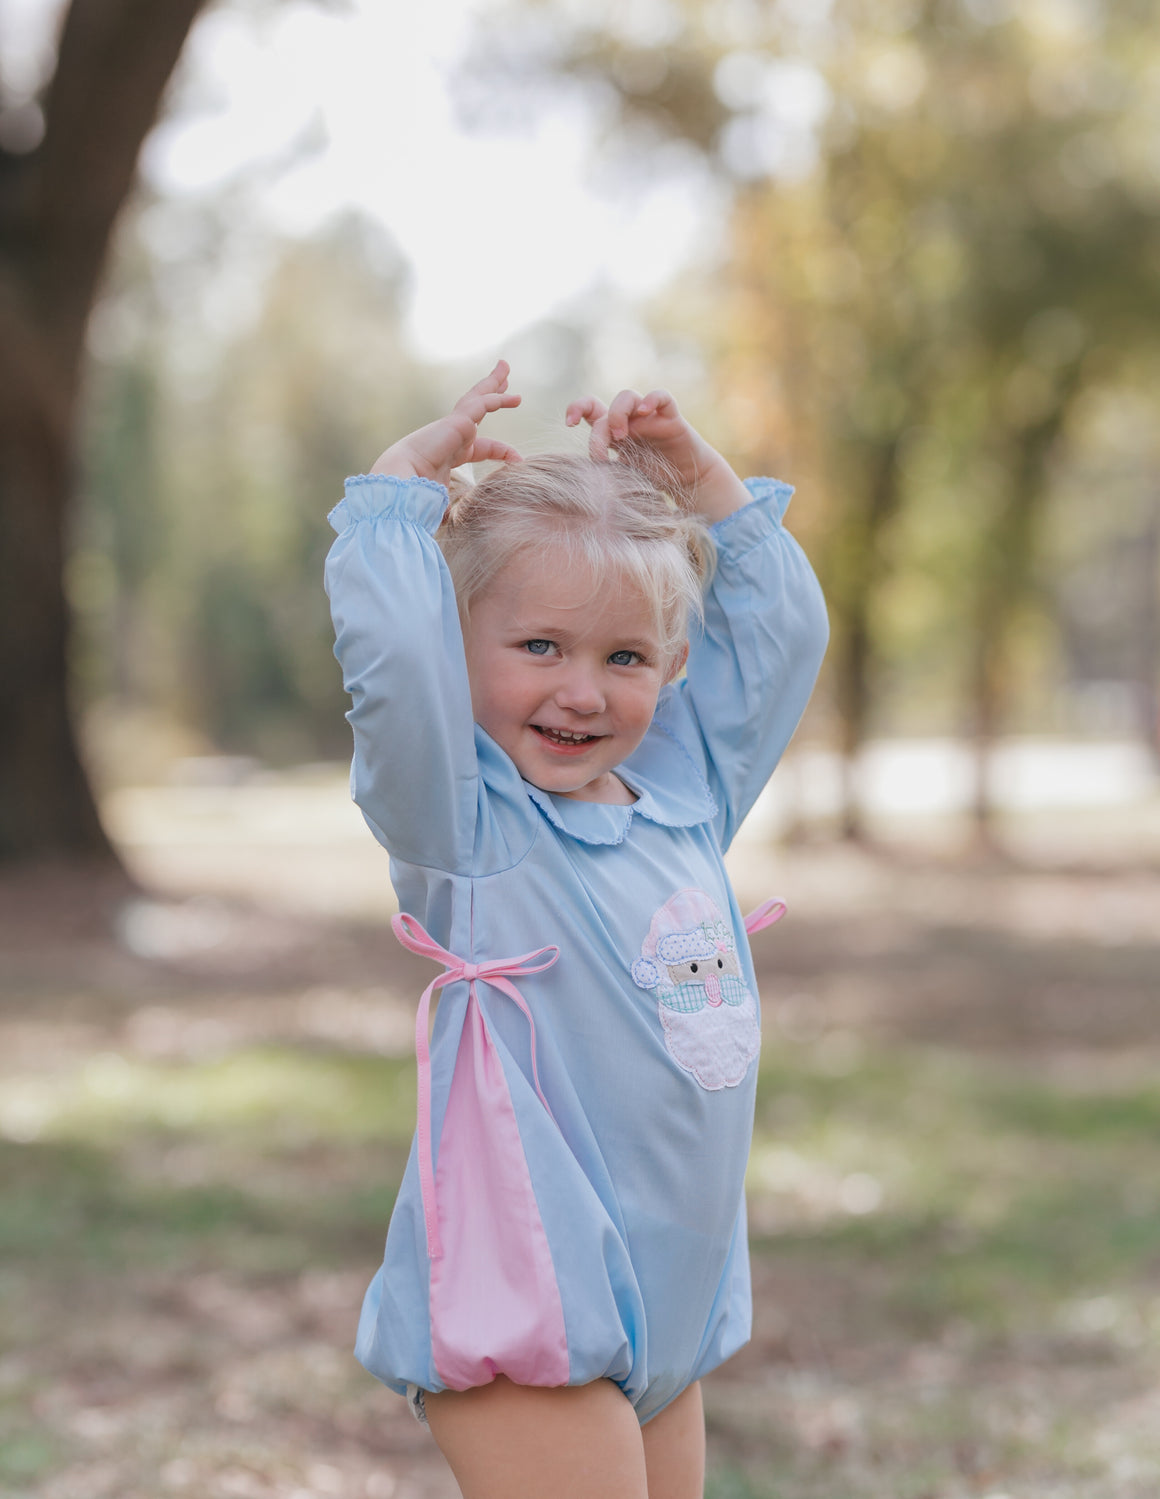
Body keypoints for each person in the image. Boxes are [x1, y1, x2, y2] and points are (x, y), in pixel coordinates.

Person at [325, 361, 829, 1499]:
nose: (584, 692)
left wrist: (698, 478)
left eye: (625, 657)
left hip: (671, 1310)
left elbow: (784, 638)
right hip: (534, 1303)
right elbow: (397, 669)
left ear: (674, 667)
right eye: (539, 646)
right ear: (461, 651)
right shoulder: (468, 818)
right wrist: (399, 488)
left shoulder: (686, 796)